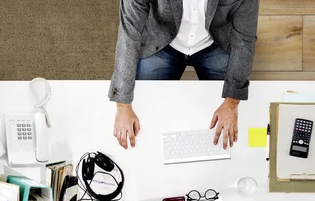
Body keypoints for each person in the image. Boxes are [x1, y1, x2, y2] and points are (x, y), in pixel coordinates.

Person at [110, 0, 259, 150]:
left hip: (214, 40)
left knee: (237, 117)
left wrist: (231, 104)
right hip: (162, 39)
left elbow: (244, 42)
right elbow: (129, 35)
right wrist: (122, 106)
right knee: (143, 109)